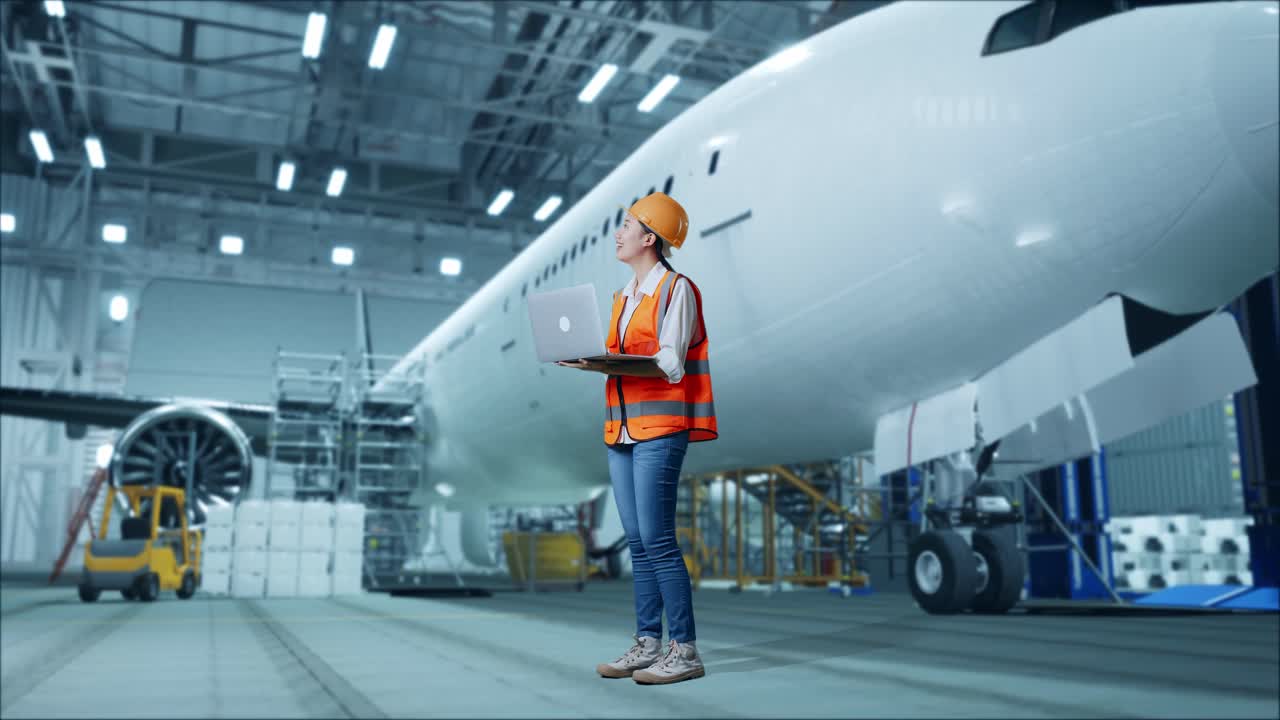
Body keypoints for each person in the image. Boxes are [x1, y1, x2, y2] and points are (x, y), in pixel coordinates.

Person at [558, 192, 717, 685]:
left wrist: (611, 362)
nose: (619, 234)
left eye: (626, 226)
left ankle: (684, 650)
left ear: (650, 237)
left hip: (660, 430)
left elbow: (670, 362)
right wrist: (590, 360)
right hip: (621, 430)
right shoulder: (622, 296)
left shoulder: (676, 290)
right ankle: (647, 643)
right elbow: (625, 361)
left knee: (659, 540)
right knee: (639, 545)